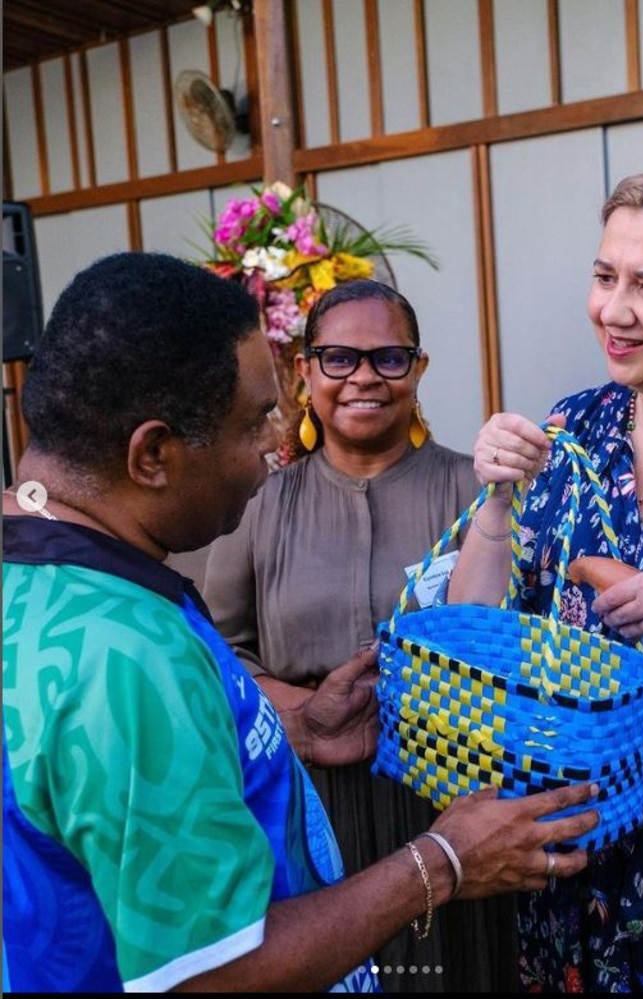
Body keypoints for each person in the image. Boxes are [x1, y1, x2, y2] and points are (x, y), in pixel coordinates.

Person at [1, 251, 602, 994]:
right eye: (254, 421)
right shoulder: (125, 659)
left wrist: (300, 728)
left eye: (388, 358)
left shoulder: (60, 575)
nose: (273, 443)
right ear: (153, 453)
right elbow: (219, 973)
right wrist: (442, 860)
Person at [200, 278, 517, 993]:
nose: (364, 376)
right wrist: (308, 710)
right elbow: (219, 655)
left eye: (388, 358)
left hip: (449, 802)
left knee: (452, 976)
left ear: (419, 369)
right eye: (339, 358)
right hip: (307, 798)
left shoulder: (477, 493)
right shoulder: (259, 503)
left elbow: (516, 636)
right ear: (304, 371)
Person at [448, 171, 643, 992]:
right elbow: (471, 620)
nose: (617, 310)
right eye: (606, 276)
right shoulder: (573, 427)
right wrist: (495, 501)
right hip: (581, 852)